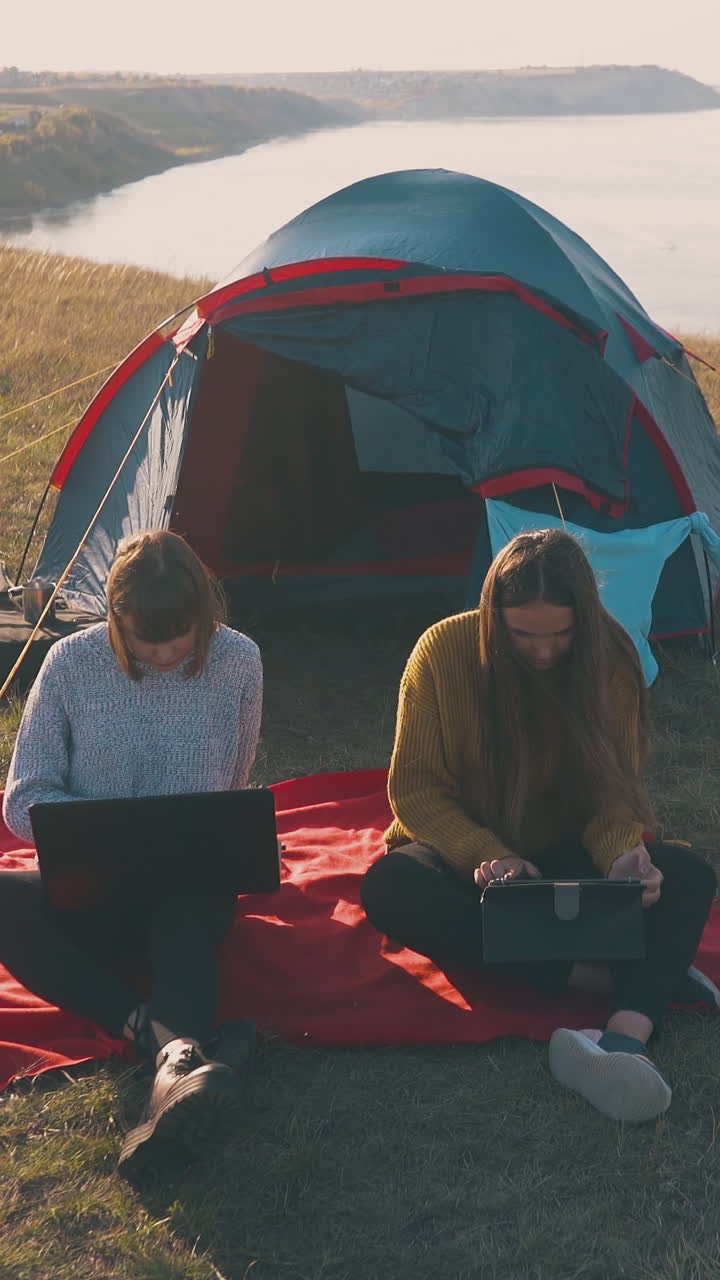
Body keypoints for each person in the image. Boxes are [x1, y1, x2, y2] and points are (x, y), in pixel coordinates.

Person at [361, 529, 717, 1124]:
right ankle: (609, 978)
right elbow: (416, 792)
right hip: (463, 865)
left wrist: (621, 856)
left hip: (563, 854)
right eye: (523, 634)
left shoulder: (610, 657)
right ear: (491, 616)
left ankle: (625, 1042)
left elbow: (613, 793)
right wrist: (486, 852)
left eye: (561, 634)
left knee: (688, 877)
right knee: (391, 889)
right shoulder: (442, 651)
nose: (544, 651)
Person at [1, 530, 263, 1173]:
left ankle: (171, 1066)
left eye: (182, 639)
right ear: (115, 619)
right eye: (151, 643)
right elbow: (22, 796)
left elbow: (233, 777)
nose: (169, 655)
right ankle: (165, 1042)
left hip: (188, 889)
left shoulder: (238, 659)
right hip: (92, 886)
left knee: (188, 902)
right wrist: (97, 833)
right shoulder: (68, 664)